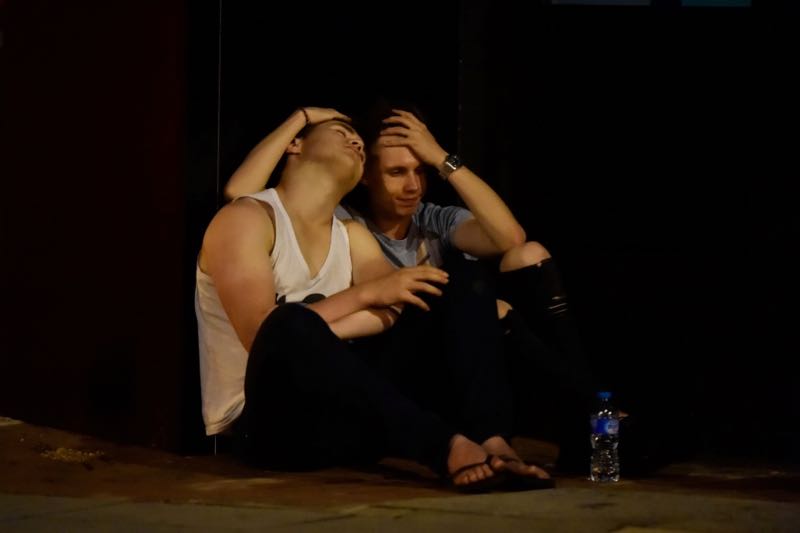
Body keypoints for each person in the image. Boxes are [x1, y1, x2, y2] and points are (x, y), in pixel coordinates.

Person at [223, 103, 599, 470]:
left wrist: (442, 158)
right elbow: (243, 196)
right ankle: (591, 418)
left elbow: (509, 239)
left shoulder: (410, 224)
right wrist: (301, 119)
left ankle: (524, 432)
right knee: (290, 325)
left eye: (420, 171)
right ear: (366, 175)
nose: (413, 185)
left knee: (489, 274)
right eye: (397, 172)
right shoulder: (333, 219)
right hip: (301, 400)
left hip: (398, 379)